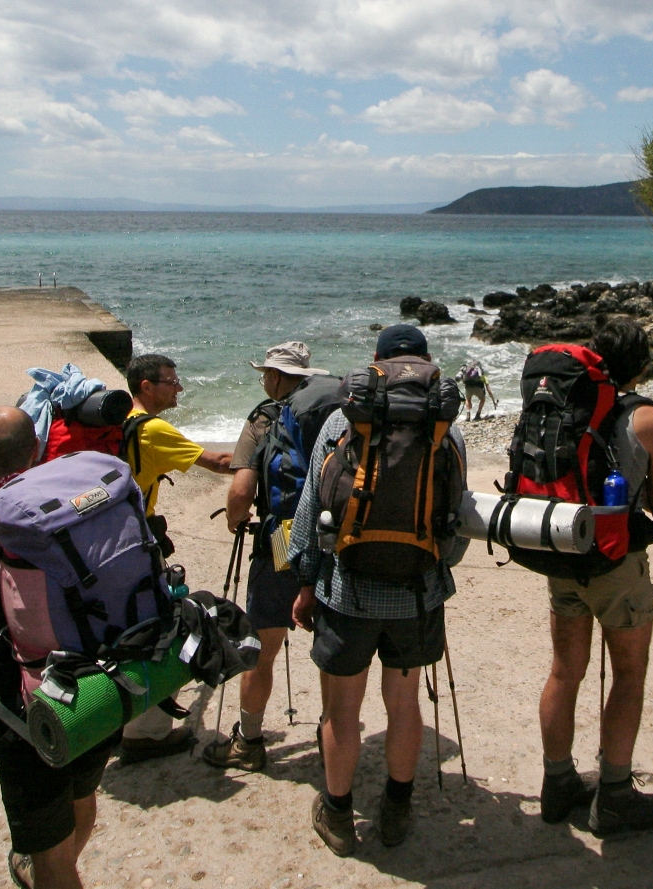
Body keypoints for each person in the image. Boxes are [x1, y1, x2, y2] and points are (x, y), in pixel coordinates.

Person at [288, 324, 467, 856]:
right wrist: (438, 568)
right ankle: (396, 807)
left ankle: (339, 816)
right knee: (404, 704)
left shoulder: (345, 420)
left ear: (377, 363)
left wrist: (305, 581)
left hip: (348, 591)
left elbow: (309, 513)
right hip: (417, 592)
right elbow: (454, 521)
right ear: (426, 362)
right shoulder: (445, 426)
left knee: (342, 711)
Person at [0, 407, 115, 889]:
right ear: (36, 450)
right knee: (80, 799)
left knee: (49, 860)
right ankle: (54, 868)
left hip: (33, 712)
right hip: (100, 691)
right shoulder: (79, 514)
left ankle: (49, 872)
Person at [537, 318, 653, 836]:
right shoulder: (651, 421)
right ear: (641, 365)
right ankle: (615, 794)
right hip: (619, 564)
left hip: (565, 554)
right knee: (629, 676)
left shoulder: (565, 410)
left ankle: (558, 784)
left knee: (563, 671)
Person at [203, 341, 339, 772]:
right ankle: (332, 732)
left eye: (266, 373)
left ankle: (250, 740)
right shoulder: (338, 414)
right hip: (331, 539)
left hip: (281, 540)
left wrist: (234, 520)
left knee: (262, 647)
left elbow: (241, 492)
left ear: (278, 378)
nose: (263, 379)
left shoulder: (265, 418)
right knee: (330, 647)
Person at [118, 352, 234, 762]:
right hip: (135, 543)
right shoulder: (151, 430)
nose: (179, 387)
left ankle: (115, 715)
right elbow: (218, 463)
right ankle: (145, 734)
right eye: (170, 381)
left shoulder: (119, 422)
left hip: (109, 542)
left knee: (121, 625)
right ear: (146, 387)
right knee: (156, 629)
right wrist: (266, 458)